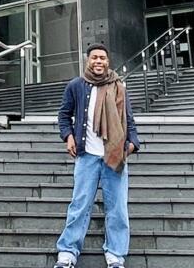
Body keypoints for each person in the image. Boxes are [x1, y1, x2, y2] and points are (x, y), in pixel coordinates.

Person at [54, 43, 140, 268]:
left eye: (102, 57)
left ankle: (115, 255)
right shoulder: (76, 86)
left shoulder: (119, 86)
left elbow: (129, 119)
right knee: (80, 204)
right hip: (87, 156)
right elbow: (64, 115)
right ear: (88, 60)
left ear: (108, 61)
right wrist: (68, 137)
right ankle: (68, 252)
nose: (98, 61)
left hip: (114, 155)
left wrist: (131, 144)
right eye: (94, 58)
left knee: (117, 208)